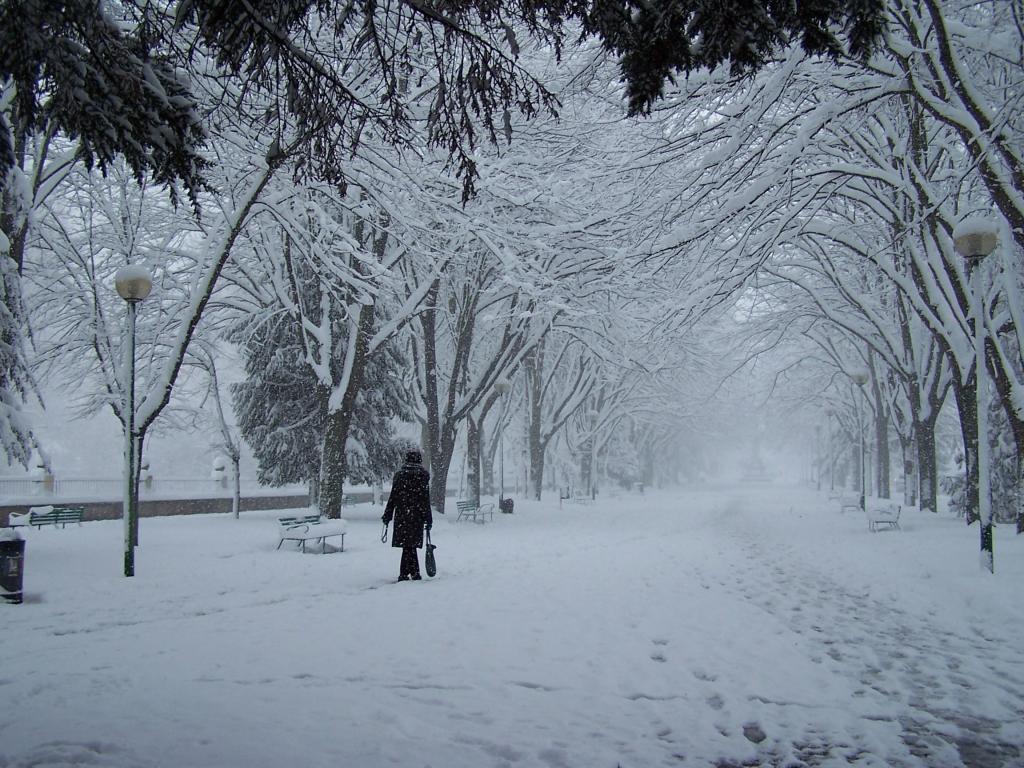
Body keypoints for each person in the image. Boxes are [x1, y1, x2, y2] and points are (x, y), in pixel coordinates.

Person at [382, 449, 432, 581]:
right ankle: (412, 573)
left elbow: (393, 497)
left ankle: (406, 574)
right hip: (417, 516)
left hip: (402, 515)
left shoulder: (400, 476)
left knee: (407, 545)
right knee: (411, 545)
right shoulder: (423, 476)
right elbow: (425, 500)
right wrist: (428, 518)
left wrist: (388, 515)